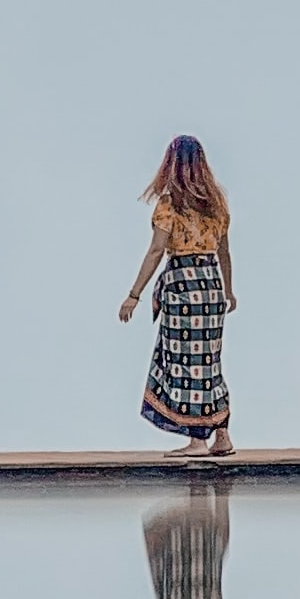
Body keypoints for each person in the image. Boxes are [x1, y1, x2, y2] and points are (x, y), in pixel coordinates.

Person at [119, 136, 235, 452]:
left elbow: (157, 249)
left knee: (186, 361)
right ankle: (221, 435)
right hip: (211, 285)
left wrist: (135, 293)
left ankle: (198, 438)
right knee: (210, 360)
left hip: (183, 285)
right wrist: (229, 289)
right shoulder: (217, 203)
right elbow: (224, 251)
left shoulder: (171, 203)